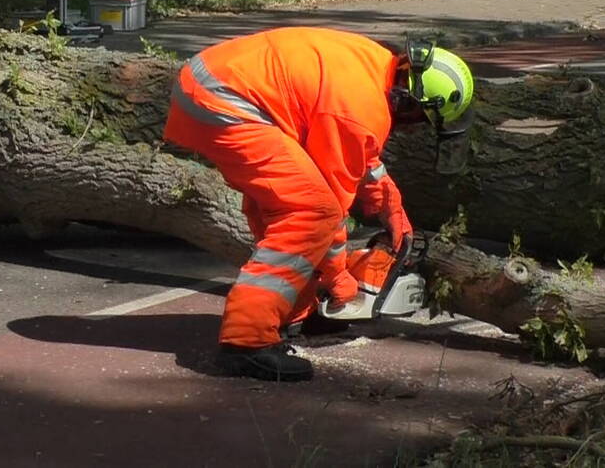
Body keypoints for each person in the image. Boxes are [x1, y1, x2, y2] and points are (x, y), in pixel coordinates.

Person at [163, 27, 474, 382]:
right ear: (412, 101)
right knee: (310, 213)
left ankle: (293, 311)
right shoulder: (359, 108)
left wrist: (391, 207)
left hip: (220, 87)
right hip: (223, 101)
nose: (414, 128)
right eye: (421, 120)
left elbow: (361, 156)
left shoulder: (375, 68)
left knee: (291, 204)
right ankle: (245, 341)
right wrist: (339, 283)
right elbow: (331, 208)